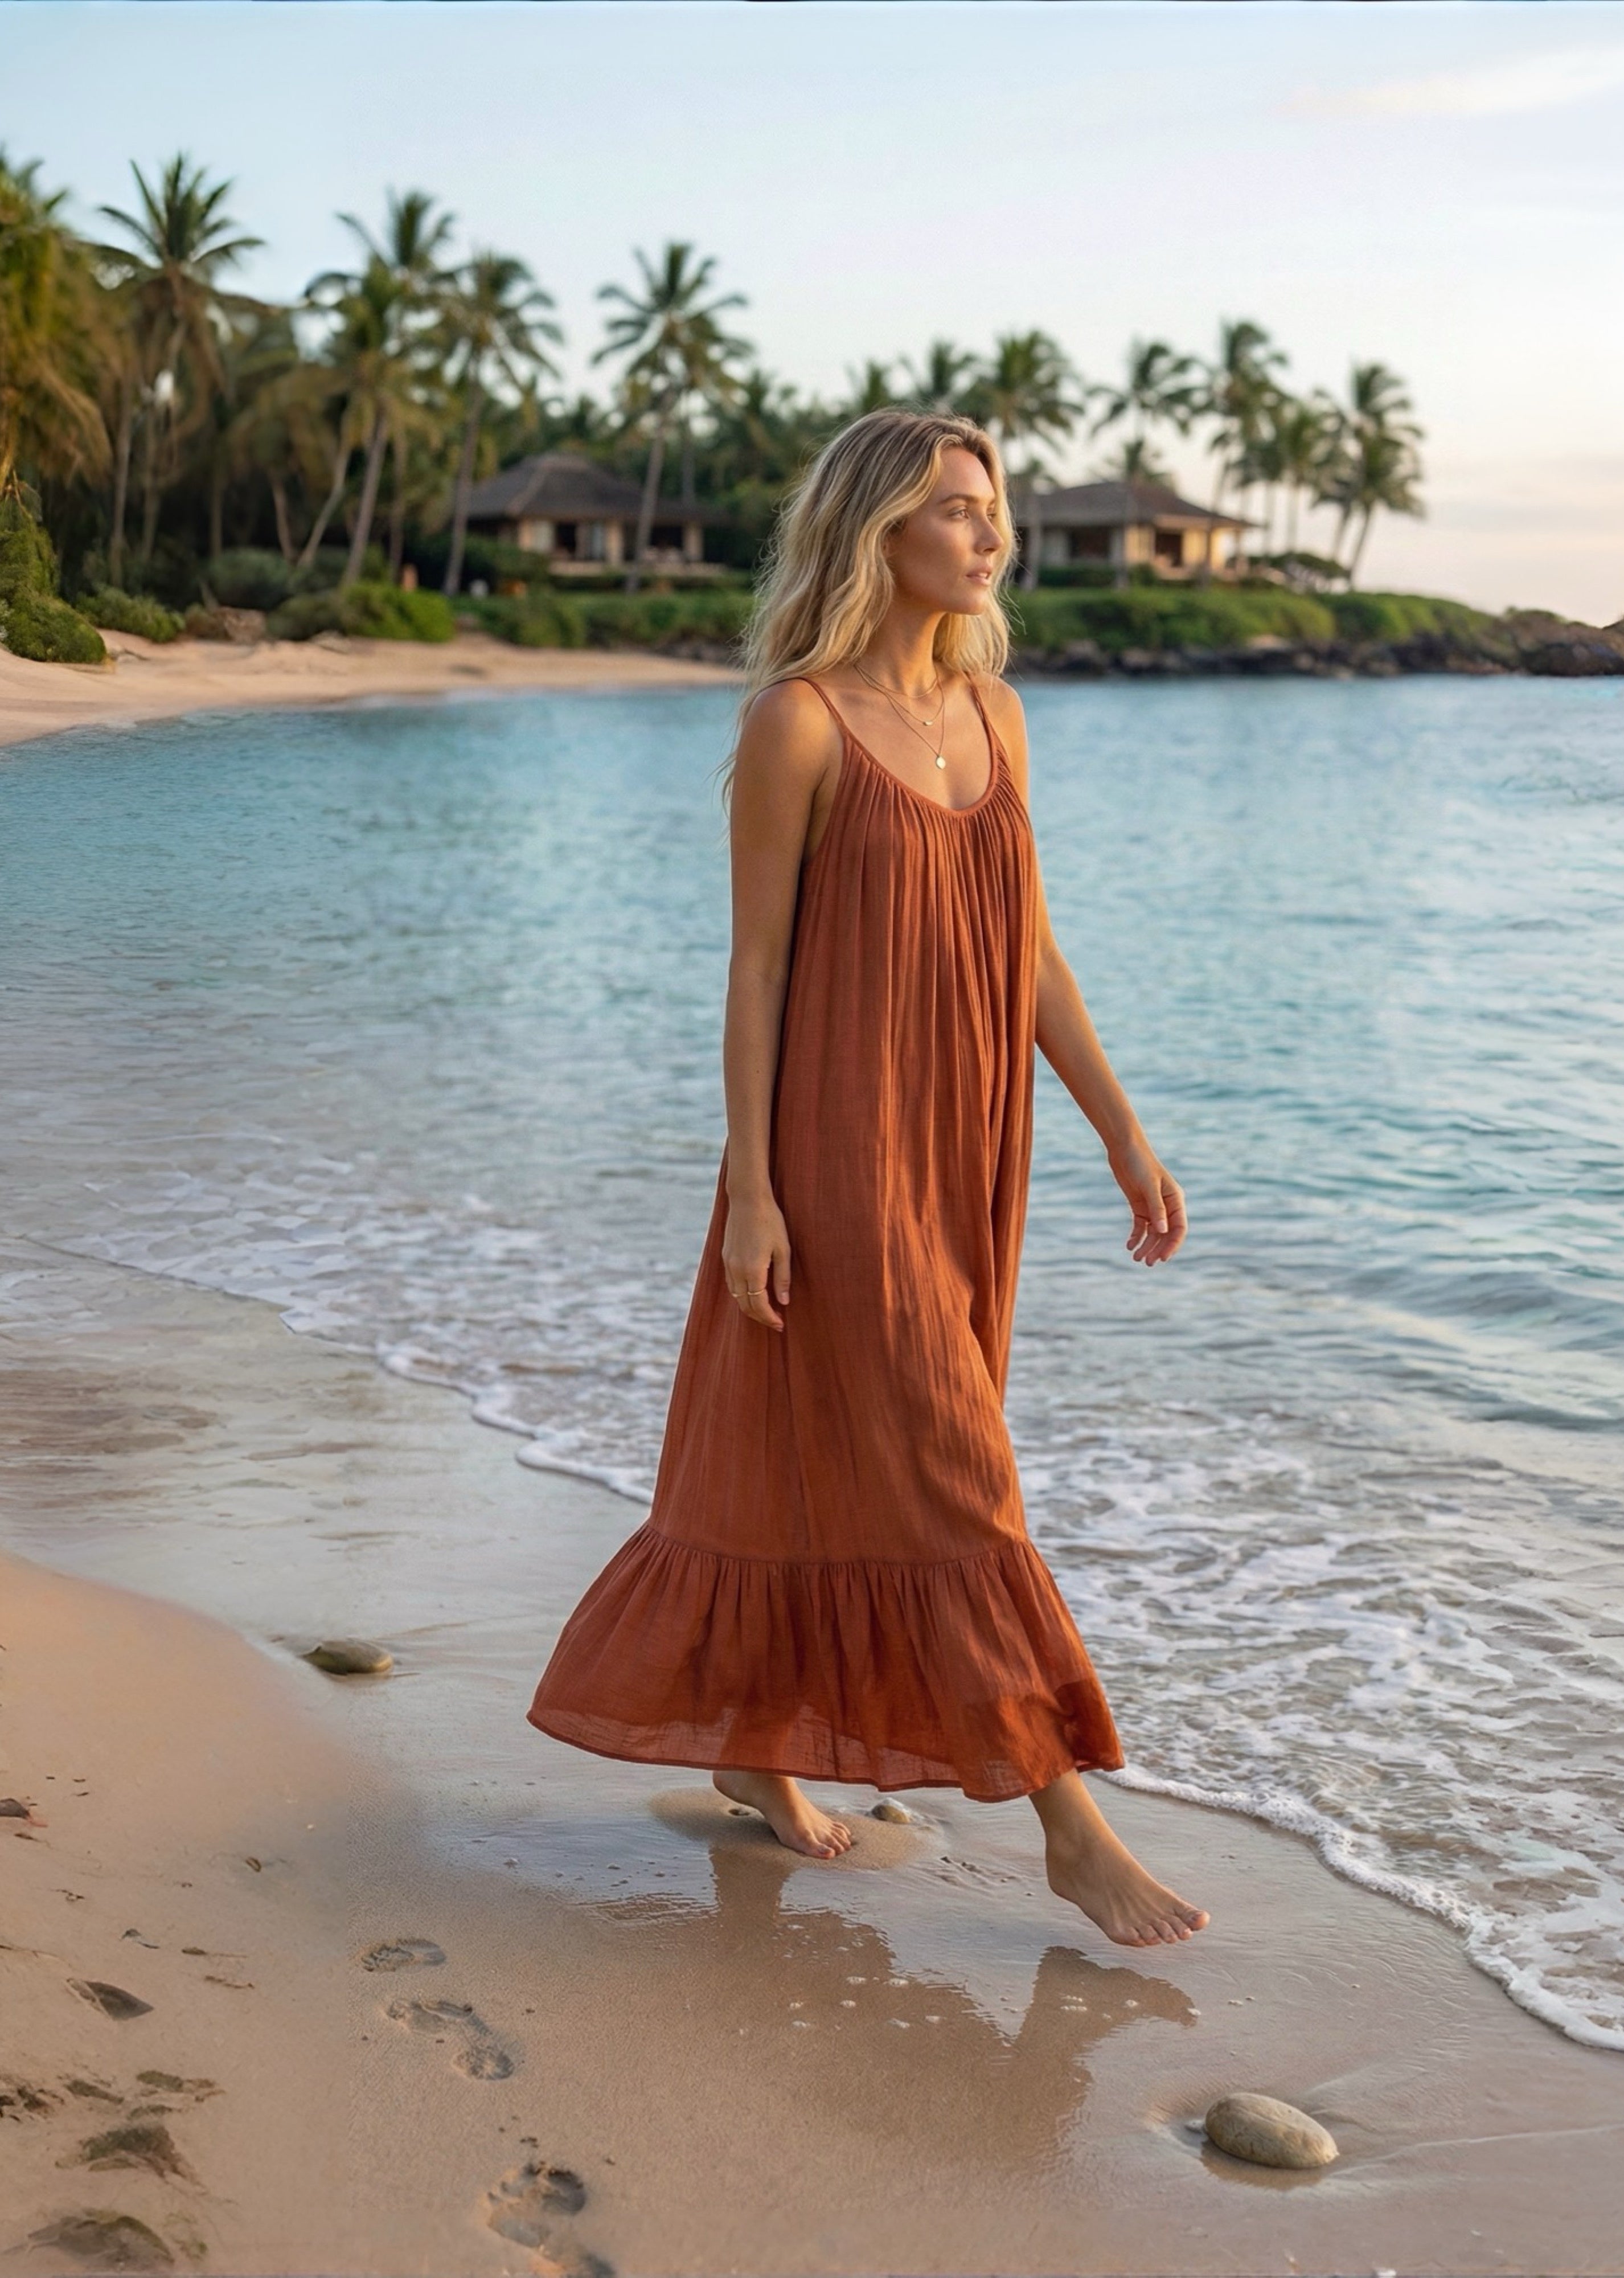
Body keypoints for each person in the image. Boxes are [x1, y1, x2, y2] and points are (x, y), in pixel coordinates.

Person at [528, 409, 1208, 1950]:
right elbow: (757, 974)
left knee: (812, 1446)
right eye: (962, 512)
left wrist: (1118, 1126)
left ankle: (761, 1755)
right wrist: (757, 1192)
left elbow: (1028, 951)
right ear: (880, 532)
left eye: (997, 513)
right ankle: (1070, 1827)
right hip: (838, 1155)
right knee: (960, 1480)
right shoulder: (800, 725)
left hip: (970, 1147)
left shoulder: (1001, 716)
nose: (993, 541)